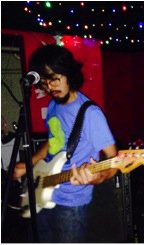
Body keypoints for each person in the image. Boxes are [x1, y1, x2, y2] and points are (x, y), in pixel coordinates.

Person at [13, 44, 118, 242]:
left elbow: (113, 160)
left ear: (68, 73)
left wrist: (96, 177)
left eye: (54, 79)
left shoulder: (90, 114)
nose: (50, 87)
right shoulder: (54, 105)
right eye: (44, 83)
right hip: (43, 194)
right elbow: (54, 142)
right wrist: (31, 164)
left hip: (71, 203)